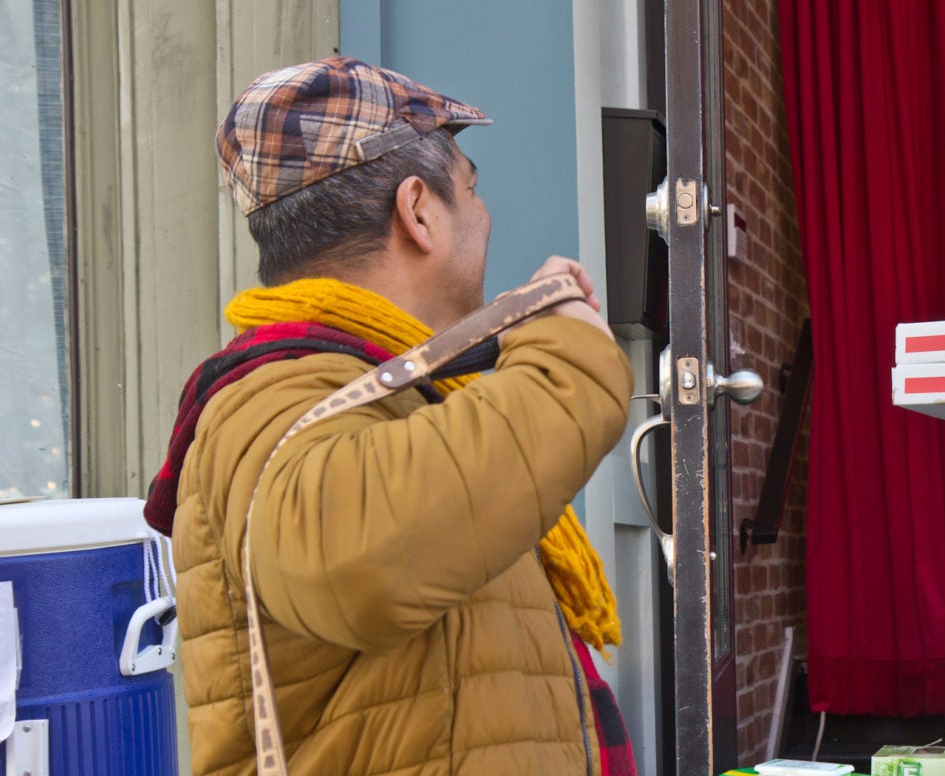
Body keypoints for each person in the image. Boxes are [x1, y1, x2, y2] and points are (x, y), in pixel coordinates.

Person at [143, 57, 634, 776]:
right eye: (472, 188)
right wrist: (567, 356)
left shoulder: (390, 390)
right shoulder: (268, 396)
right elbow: (353, 556)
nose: (483, 212)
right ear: (418, 210)